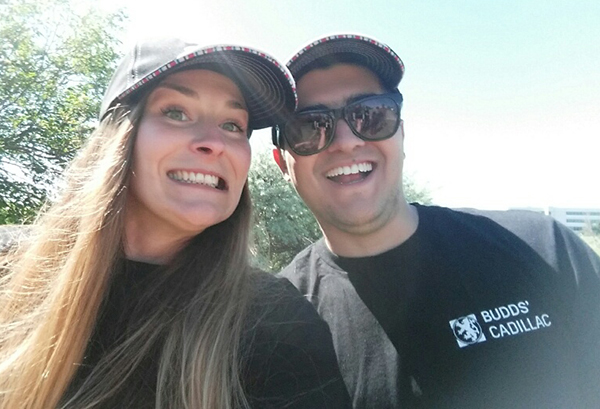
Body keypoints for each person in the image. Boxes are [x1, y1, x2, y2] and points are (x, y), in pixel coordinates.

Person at [0, 37, 351, 409]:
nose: (213, 142)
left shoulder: (276, 320)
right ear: (120, 134)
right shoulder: (9, 269)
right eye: (176, 113)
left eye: (233, 124)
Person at [272, 34, 600, 408]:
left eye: (371, 114)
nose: (345, 141)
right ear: (283, 163)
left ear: (401, 133)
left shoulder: (544, 250)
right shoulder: (273, 323)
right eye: (308, 126)